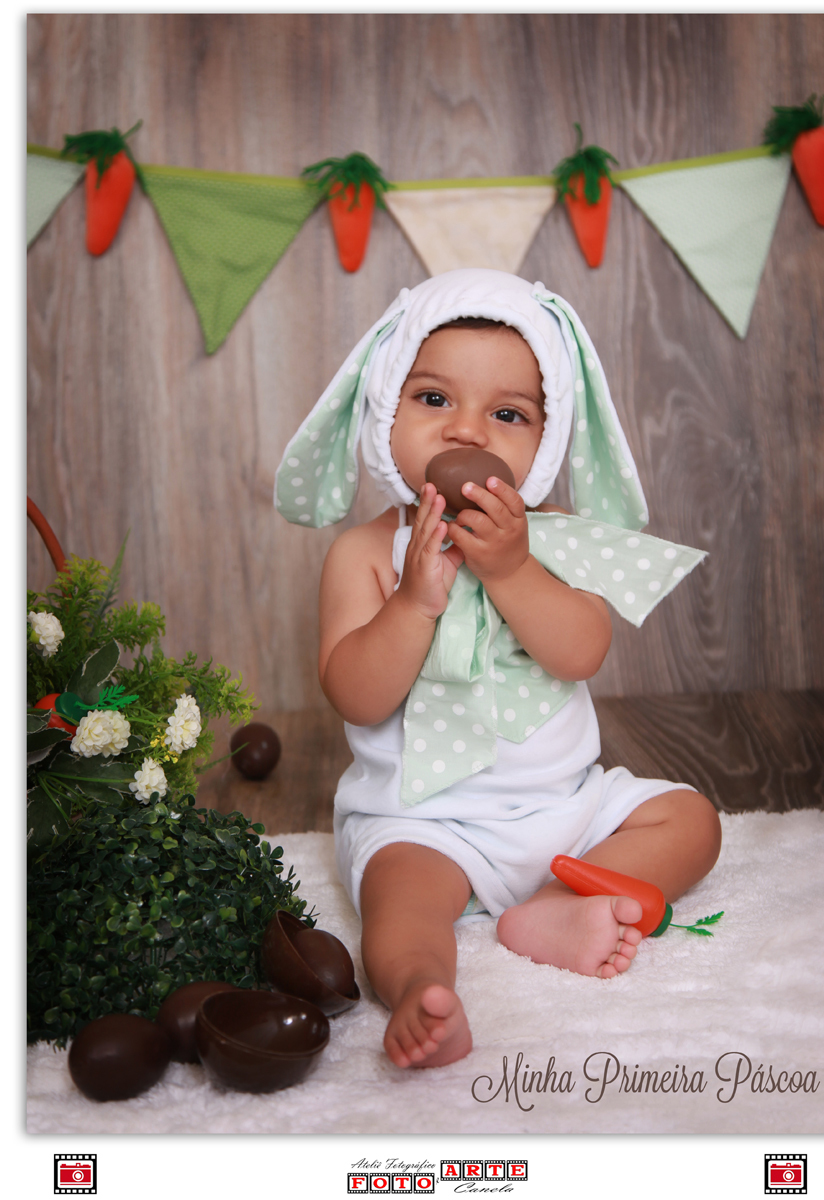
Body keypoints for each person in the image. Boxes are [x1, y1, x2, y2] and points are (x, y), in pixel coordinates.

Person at [275, 270, 721, 1070]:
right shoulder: (365, 554)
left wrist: (513, 570)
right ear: (385, 410)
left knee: (691, 821)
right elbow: (354, 691)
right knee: (399, 904)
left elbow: (581, 651)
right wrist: (412, 602)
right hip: (424, 820)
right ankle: (418, 990)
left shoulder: (550, 539)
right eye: (435, 400)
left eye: (507, 414)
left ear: (546, 443)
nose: (465, 433)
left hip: (567, 808)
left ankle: (552, 906)